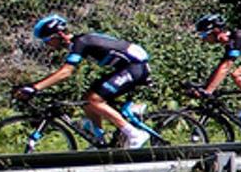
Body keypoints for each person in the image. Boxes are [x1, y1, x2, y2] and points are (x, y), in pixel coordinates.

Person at [21, 14, 156, 147]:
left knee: (94, 99)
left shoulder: (81, 42)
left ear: (59, 35)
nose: (47, 45)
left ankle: (135, 134)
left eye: (47, 40)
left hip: (135, 67)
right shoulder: (78, 43)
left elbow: (66, 72)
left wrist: (35, 87)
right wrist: (36, 86)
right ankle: (99, 140)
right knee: (86, 100)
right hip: (127, 67)